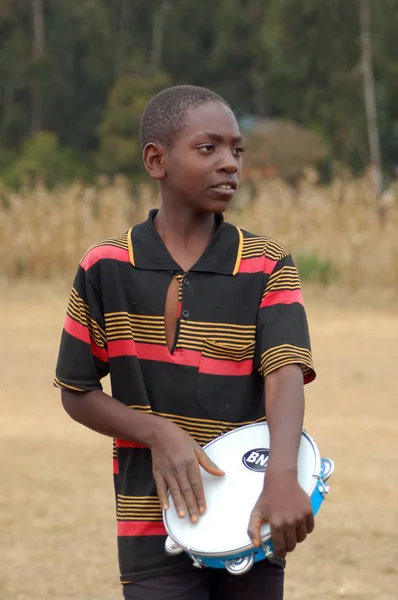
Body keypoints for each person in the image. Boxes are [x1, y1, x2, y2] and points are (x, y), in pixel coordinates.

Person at [54, 85, 316, 600]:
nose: (229, 164)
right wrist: (157, 433)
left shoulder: (266, 263)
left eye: (237, 150)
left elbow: (285, 373)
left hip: (251, 514)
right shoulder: (106, 266)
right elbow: (76, 390)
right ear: (157, 160)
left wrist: (283, 475)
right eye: (208, 148)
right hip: (149, 522)